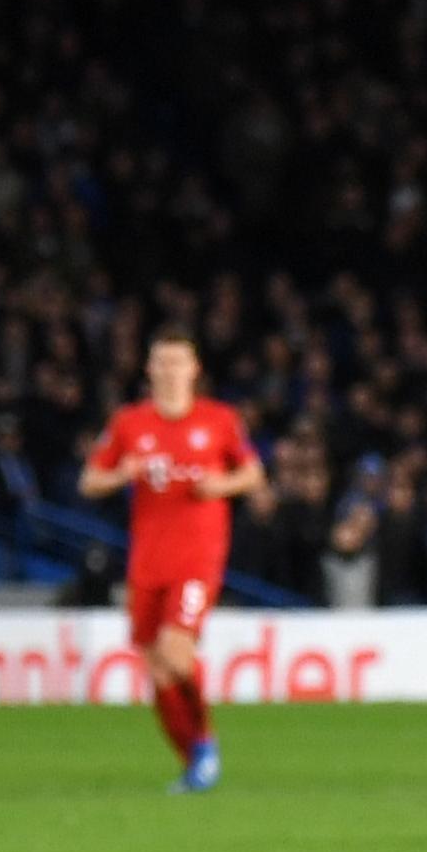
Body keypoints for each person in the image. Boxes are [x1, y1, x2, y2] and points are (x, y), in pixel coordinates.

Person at [78, 330, 262, 792]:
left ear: (194, 369)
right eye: (161, 362)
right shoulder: (129, 423)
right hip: (148, 561)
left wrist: (219, 486)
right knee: (157, 668)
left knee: (176, 654)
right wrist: (122, 474)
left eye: (178, 362)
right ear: (149, 369)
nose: (169, 370)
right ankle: (194, 758)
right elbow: (89, 482)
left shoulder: (219, 420)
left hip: (198, 558)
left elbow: (252, 472)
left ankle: (206, 742)